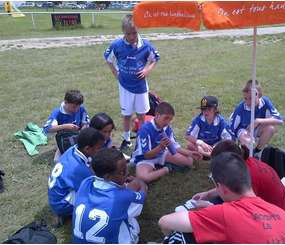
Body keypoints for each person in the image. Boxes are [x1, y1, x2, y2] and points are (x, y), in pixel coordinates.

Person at [158, 152, 285, 244]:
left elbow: (164, 222)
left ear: (222, 188)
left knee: (182, 236)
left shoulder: (226, 214)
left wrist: (202, 214)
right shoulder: (281, 214)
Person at [104, 14, 160, 151]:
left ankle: (142, 137)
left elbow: (154, 59)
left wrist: (147, 70)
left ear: (138, 30)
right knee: (127, 114)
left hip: (141, 87)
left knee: (142, 114)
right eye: (128, 34)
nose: (131, 36)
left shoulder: (146, 45)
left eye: (134, 33)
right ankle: (127, 139)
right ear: (124, 32)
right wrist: (116, 73)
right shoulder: (117, 45)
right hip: (125, 87)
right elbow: (108, 59)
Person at [192, 140, 285, 215]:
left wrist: (212, 208)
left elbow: (243, 211)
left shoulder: (249, 177)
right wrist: (208, 194)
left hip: (275, 215)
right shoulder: (243, 163)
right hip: (272, 206)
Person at [72, 148, 147, 244]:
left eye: (126, 168)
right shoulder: (122, 198)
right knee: (130, 214)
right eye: (122, 172)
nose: (127, 173)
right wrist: (140, 182)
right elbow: (142, 195)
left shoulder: (86, 182)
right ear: (107, 177)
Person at [131, 102, 202, 183]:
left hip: (161, 154)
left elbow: (174, 146)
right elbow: (146, 155)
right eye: (166, 118)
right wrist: (160, 147)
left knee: (189, 161)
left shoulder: (166, 128)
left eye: (170, 119)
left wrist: (189, 153)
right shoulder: (145, 129)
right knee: (143, 178)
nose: (167, 122)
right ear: (157, 115)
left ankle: (160, 168)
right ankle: (166, 169)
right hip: (145, 159)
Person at [48, 127, 104, 217]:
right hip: (61, 204)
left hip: (56, 196)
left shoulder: (73, 149)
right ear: (87, 149)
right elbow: (94, 189)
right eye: (98, 148)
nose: (100, 150)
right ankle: (65, 213)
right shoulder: (79, 169)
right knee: (98, 197)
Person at [229, 79, 283, 157]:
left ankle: (257, 152)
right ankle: (244, 152)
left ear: (259, 95)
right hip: (243, 130)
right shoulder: (241, 108)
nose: (247, 102)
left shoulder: (265, 102)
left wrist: (258, 121)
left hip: (257, 128)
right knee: (248, 141)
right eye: (245, 98)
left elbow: (279, 120)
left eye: (251, 98)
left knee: (271, 128)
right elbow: (232, 128)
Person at [43, 89, 90, 161]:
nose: (76, 109)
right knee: (58, 160)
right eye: (74, 107)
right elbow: (47, 129)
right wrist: (66, 126)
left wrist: (83, 129)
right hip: (65, 139)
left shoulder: (81, 108)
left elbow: (86, 123)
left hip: (79, 137)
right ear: (65, 102)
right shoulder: (58, 112)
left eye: (78, 107)